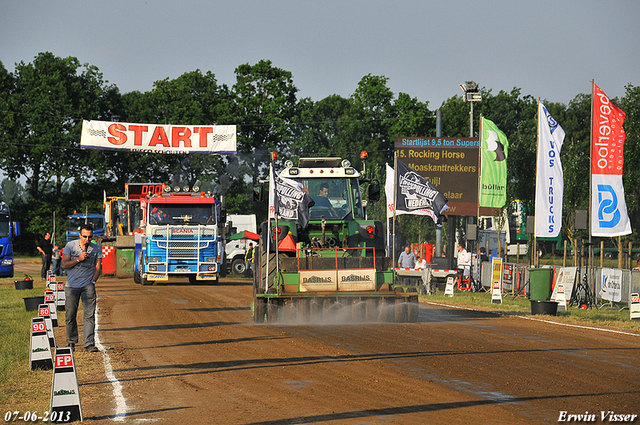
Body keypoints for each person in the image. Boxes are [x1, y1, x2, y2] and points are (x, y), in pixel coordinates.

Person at [61, 224, 102, 353]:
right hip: (72, 286)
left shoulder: (96, 249)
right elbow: (64, 265)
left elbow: (98, 267)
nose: (87, 239)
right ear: (80, 235)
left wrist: (93, 281)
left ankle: (89, 343)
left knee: (89, 315)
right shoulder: (70, 246)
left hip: (88, 286)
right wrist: (78, 259)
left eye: (90, 237)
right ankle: (71, 342)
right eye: (84, 236)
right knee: (70, 315)